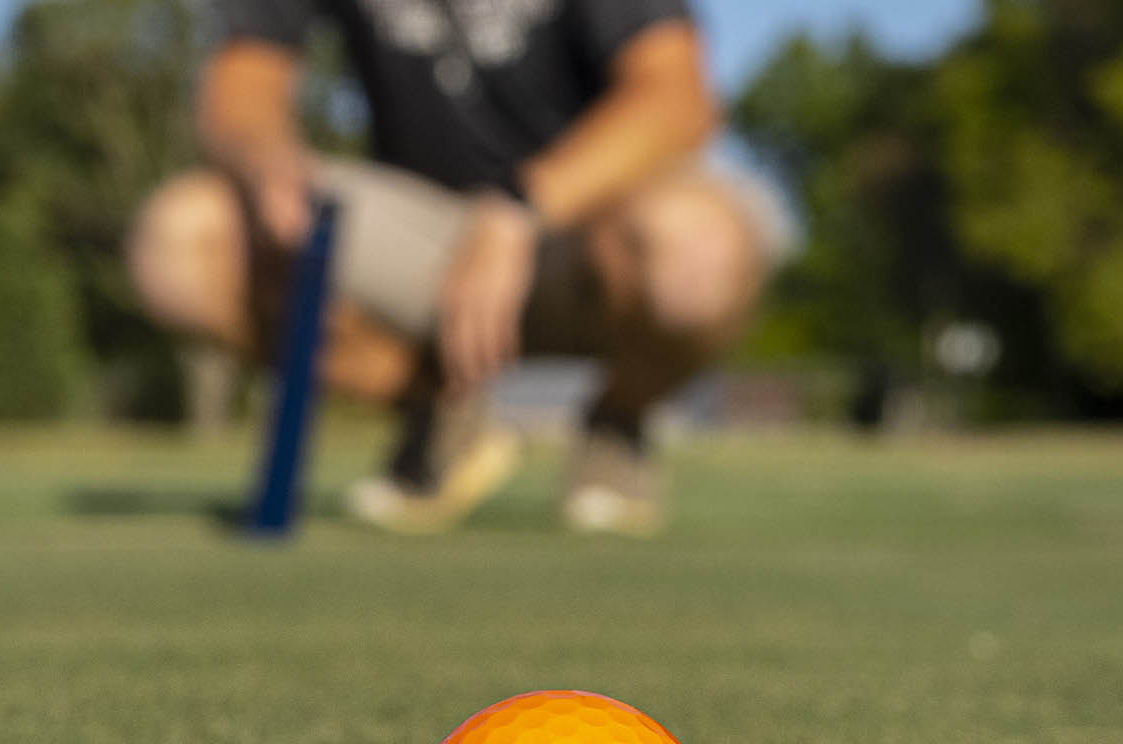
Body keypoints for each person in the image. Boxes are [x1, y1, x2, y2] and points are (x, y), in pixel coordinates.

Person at [128, 0, 782, 536]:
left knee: (697, 249)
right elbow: (243, 81)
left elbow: (676, 100)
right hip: (414, 235)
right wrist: (266, 160)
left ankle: (616, 423)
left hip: (577, 226)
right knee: (184, 240)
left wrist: (520, 206)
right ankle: (440, 411)